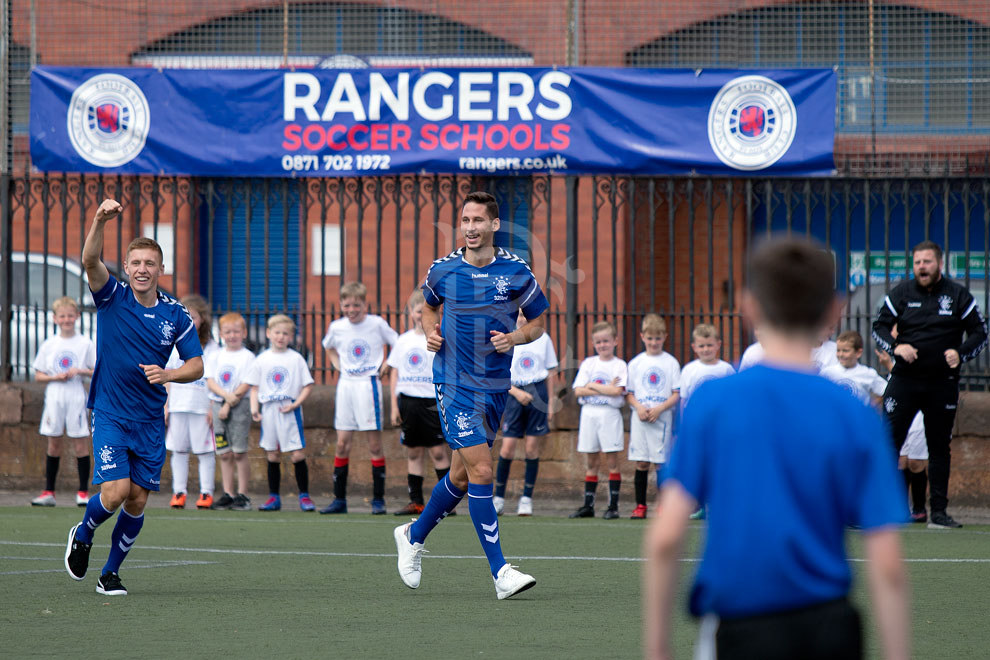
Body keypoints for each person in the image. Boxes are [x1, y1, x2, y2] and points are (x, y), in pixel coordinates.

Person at [644, 237, 909, 660]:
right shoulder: (854, 413)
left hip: (741, 622)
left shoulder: (715, 402)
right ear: (833, 311)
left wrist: (657, 647)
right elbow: (888, 561)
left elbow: (666, 535)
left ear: (750, 307)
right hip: (830, 625)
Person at [393, 190, 548, 600]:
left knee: (461, 476)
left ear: (494, 225)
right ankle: (501, 573)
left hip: (495, 387)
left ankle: (412, 535)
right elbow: (428, 306)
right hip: (454, 383)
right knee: (482, 472)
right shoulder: (443, 270)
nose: (470, 228)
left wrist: (514, 336)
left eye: (478, 221)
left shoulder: (517, 272)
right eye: (465, 220)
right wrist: (430, 330)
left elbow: (538, 326)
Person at [64, 199, 205, 597]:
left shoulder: (175, 314)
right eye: (136, 262)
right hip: (110, 412)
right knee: (116, 491)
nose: (142, 269)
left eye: (150, 263)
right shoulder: (112, 296)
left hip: (148, 420)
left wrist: (170, 374)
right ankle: (85, 530)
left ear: (161, 269)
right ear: (126, 267)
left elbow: (197, 365)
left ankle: (109, 573)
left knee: (138, 501)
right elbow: (90, 259)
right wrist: (98, 220)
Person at [872, 239, 988, 529]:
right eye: (918, 262)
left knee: (939, 448)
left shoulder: (958, 295)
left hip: (942, 382)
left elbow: (980, 332)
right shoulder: (901, 293)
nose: (922, 267)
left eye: (927, 262)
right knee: (888, 443)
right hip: (904, 381)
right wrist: (896, 346)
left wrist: (960, 354)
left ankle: (938, 513)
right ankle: (882, 511)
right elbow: (879, 327)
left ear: (939, 264)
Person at [320, 281, 398, 515]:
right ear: (341, 305)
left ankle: (378, 499)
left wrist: (387, 363)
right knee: (342, 443)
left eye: (356, 305)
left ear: (364, 304)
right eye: (347, 305)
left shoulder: (376, 324)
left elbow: (398, 343)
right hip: (346, 386)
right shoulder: (337, 326)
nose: (352, 310)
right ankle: (339, 499)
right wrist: (337, 365)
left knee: (374, 444)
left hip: (368, 386)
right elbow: (328, 347)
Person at [388, 290, 452, 516]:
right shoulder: (403, 340)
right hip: (409, 402)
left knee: (438, 452)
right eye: (416, 311)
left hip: (432, 402)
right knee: (413, 452)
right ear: (411, 313)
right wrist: (394, 406)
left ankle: (446, 502)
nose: (419, 315)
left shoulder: (439, 337)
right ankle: (415, 501)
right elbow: (394, 373)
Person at [31, 296, 96, 507]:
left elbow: (96, 371)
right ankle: (49, 491)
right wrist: (55, 377)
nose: (67, 319)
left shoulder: (85, 343)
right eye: (62, 316)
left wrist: (80, 371)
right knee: (54, 441)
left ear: (77, 316)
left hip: (76, 394)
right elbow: (38, 375)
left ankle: (83, 492)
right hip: (55, 395)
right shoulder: (50, 344)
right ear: (55, 318)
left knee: (80, 442)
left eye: (70, 315)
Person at [245, 314, 315, 512]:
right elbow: (255, 387)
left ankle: (304, 496)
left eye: (285, 333)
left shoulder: (296, 358)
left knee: (297, 453)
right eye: (277, 332)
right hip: (269, 410)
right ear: (268, 333)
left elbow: (308, 386)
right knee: (272, 454)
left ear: (291, 336)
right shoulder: (262, 359)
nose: (281, 337)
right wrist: (254, 409)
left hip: (289, 410)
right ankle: (273, 497)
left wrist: (296, 404)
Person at [493, 310, 558, 517]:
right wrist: (516, 392)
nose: (522, 318)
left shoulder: (543, 337)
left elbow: (550, 373)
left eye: (525, 315)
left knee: (531, 448)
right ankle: (499, 498)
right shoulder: (507, 337)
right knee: (507, 448)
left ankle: (526, 498)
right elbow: (497, 373)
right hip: (513, 392)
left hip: (537, 393)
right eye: (518, 314)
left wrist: (549, 404)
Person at [165, 294, 220, 510]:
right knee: (178, 449)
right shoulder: (173, 344)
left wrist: (212, 408)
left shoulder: (213, 349)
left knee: (205, 450)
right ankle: (179, 492)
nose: (189, 321)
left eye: (193, 317)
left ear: (203, 320)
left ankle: (206, 492)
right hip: (178, 405)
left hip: (201, 406)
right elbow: (168, 376)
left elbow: (213, 379)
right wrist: (166, 405)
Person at [569, 320, 628, 520]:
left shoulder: (619, 365)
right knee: (591, 460)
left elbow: (616, 391)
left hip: (609, 414)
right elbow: (578, 391)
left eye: (606, 341)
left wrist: (592, 385)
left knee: (612, 460)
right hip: (589, 413)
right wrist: (602, 387)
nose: (602, 345)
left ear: (615, 341)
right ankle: (589, 505)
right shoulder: (589, 363)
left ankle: (613, 506)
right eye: (598, 342)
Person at [625, 314, 680, 520]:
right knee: (641, 463)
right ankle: (640, 505)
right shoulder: (636, 363)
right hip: (640, 420)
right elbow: (628, 393)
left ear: (664, 337)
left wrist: (660, 408)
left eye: (658, 338)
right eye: (650, 338)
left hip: (661, 420)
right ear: (642, 337)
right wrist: (639, 407)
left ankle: (663, 505)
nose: (654, 342)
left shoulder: (671, 362)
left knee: (660, 464)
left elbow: (676, 393)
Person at [205, 312, 256, 511]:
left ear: (243, 333)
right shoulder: (216, 355)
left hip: (238, 406)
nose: (232, 335)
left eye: (236, 331)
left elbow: (246, 384)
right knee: (224, 453)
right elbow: (210, 381)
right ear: (222, 334)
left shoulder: (247, 357)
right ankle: (228, 493)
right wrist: (223, 400)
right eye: (228, 332)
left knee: (239, 452)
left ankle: (242, 494)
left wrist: (228, 403)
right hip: (219, 406)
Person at [876, 345, 930, 524]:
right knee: (900, 460)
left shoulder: (918, 348)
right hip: (899, 412)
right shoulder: (895, 351)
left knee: (916, 462)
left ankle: (920, 508)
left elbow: (912, 381)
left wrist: (888, 365)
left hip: (918, 413)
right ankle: (901, 508)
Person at [820, 330, 887, 406]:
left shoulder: (867, 373)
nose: (841, 354)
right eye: (838, 350)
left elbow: (887, 391)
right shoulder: (827, 372)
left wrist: (872, 406)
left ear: (858, 353)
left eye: (845, 351)